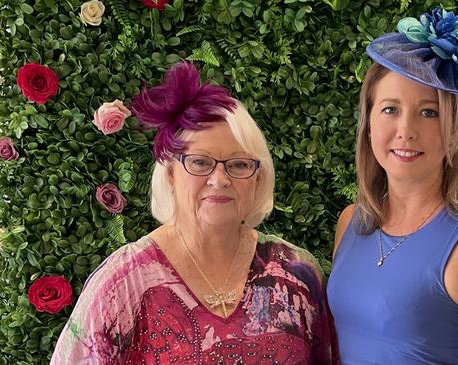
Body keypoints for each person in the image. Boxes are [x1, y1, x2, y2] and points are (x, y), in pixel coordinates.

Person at [51, 62, 335, 364]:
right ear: (171, 173)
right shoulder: (124, 283)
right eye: (200, 162)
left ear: (258, 179)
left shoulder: (297, 272)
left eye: (238, 164)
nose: (220, 179)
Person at [327, 2, 458, 364]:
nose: (406, 131)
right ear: (370, 123)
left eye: (429, 112)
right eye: (390, 109)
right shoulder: (352, 223)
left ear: (454, 128)